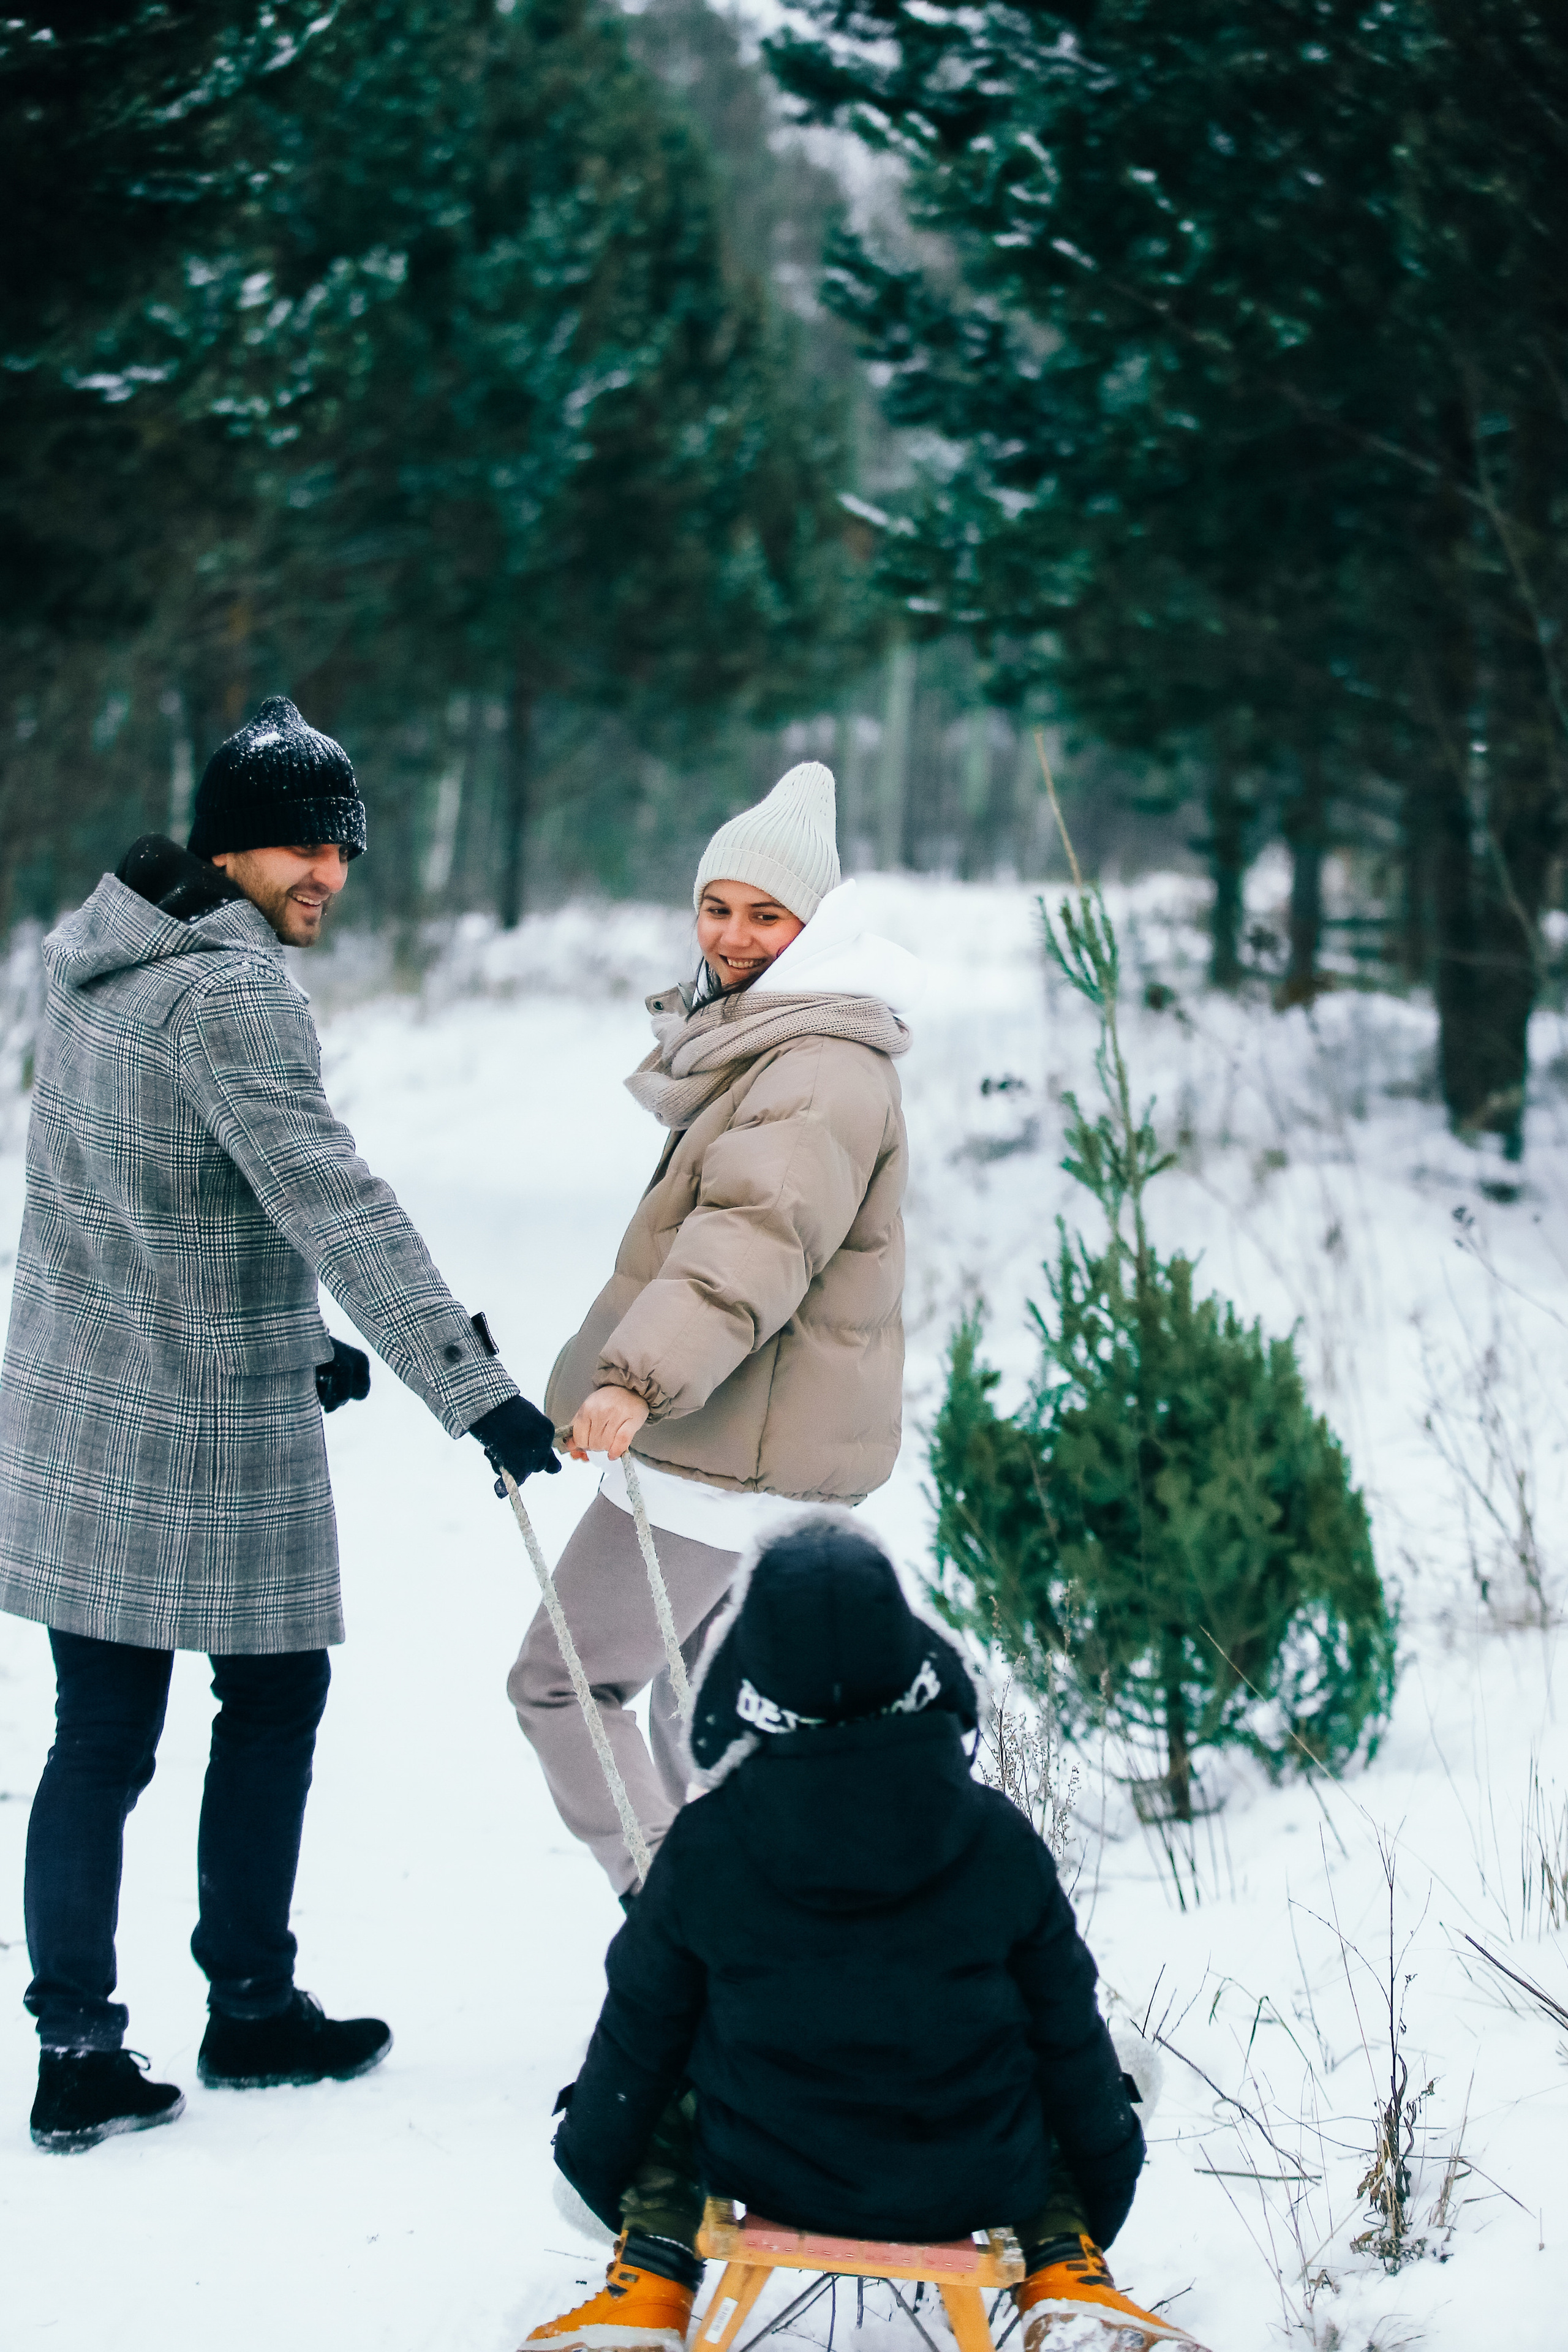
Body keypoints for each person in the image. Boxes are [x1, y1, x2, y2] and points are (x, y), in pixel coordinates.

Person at [0, 696, 559, 2154]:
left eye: (337, 844)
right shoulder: (234, 995)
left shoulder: (96, 963)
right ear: (228, 846)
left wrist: (298, 1334)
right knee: (270, 1699)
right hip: (196, 1430)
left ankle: (77, 2049)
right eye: (295, 843)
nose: (323, 870)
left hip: (81, 1411)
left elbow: (149, 1190)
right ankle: (248, 2007)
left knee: (100, 1735)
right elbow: (328, 1195)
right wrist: (473, 1387)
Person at [525, 1515, 1174, 2352]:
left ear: (751, 1672)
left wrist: (590, 2166)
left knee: (665, 2056)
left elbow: (636, 2036)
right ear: (910, 1659)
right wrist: (1105, 2169)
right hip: (973, 2171)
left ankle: (647, 2286)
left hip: (764, 2167)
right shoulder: (996, 1839)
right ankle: (1062, 2269)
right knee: (1065, 2060)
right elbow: (1068, 2032)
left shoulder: (707, 1845)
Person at [508, 760, 921, 1896]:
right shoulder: (787, 1040)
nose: (734, 936)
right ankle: (781, 1973)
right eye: (717, 907)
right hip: (746, 1441)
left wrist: (636, 1380)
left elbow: (754, 1238)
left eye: (766, 915)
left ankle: (680, 1946)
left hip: (721, 1452)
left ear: (816, 924)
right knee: (716, 1739)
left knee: (564, 1685)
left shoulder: (818, 1063)